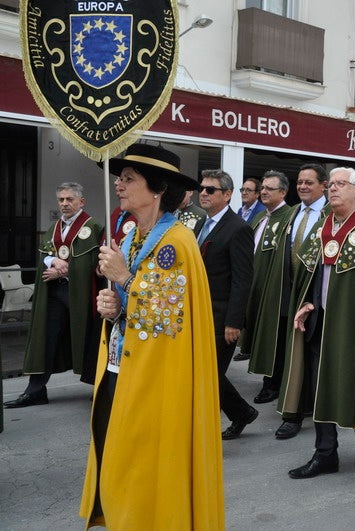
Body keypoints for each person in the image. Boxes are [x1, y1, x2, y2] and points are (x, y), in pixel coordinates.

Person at [80, 144, 223, 527]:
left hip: (157, 376)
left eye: (129, 179)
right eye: (119, 178)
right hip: (122, 366)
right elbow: (135, 310)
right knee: (118, 451)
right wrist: (113, 306)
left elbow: (167, 321)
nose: (119, 185)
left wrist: (125, 278)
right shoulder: (131, 239)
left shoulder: (176, 241)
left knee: (142, 461)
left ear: (158, 188)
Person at [281, 167, 355, 479]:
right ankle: (325, 453)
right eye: (330, 184)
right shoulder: (323, 225)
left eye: (340, 184)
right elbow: (313, 273)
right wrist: (308, 301)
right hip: (322, 320)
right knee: (321, 386)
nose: (332, 188)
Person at [5, 183, 102, 409]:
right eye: (61, 200)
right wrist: (53, 261)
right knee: (45, 337)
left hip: (82, 294)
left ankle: (99, 388)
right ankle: (36, 390)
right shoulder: (54, 227)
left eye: (69, 199)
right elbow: (44, 255)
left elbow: (96, 262)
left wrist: (67, 269)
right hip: (55, 292)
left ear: (81, 202)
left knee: (89, 337)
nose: (64, 204)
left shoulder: (94, 226)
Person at [265, 163, 330, 440]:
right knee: (291, 353)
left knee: (311, 356)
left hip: (316, 298)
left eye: (309, 182)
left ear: (323, 186)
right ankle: (293, 410)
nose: (302, 186)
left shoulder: (331, 215)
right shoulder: (292, 213)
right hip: (289, 293)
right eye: (300, 182)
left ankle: (304, 412)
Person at [195, 169, 258, 440]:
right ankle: (242, 412)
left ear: (227, 194)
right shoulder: (201, 223)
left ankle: (239, 413)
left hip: (222, 316)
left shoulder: (238, 228)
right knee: (203, 371)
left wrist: (234, 322)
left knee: (209, 373)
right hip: (199, 311)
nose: (203, 193)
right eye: (202, 188)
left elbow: (242, 280)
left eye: (210, 189)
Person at [239, 170, 292, 390]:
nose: (264, 192)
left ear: (283, 192)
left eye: (270, 188)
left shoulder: (289, 216)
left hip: (273, 290)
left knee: (272, 338)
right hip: (253, 286)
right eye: (262, 188)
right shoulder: (260, 216)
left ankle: (272, 383)